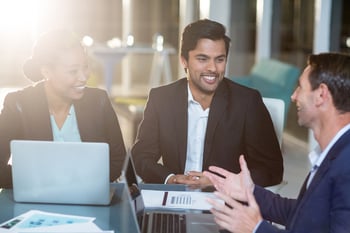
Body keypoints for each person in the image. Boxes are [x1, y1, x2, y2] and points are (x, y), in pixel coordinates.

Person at [204, 52, 350, 232]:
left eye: (300, 88)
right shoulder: (336, 153)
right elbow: (302, 215)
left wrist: (255, 228)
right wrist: (250, 191)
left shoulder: (346, 165)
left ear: (321, 94)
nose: (294, 96)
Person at [131, 19, 283, 187]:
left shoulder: (247, 102)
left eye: (219, 59)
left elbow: (272, 170)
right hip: (176, 196)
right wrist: (171, 178)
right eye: (202, 59)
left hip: (225, 202)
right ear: (184, 60)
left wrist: (219, 182)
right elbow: (141, 157)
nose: (213, 68)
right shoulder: (161, 99)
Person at [0, 29, 126, 189]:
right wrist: (37, 181)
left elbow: (118, 160)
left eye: (85, 67)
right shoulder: (18, 105)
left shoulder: (99, 101)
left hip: (88, 199)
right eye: (73, 71)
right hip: (34, 202)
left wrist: (78, 183)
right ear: (46, 71)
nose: (83, 76)